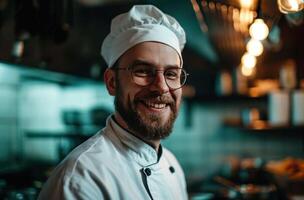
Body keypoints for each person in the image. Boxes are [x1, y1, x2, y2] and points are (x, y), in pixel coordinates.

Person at [38, 4, 189, 200]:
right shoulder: (81, 179)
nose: (161, 87)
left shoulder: (172, 165)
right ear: (111, 82)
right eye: (142, 71)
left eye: (171, 74)